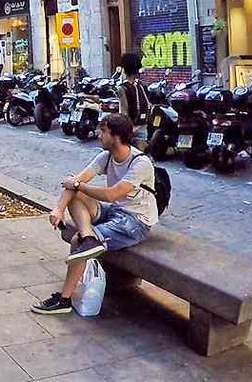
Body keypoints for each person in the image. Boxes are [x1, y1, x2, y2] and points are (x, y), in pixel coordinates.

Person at [32, 113, 158, 315]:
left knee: (77, 241)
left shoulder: (140, 163)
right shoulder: (106, 157)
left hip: (135, 221)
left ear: (115, 136)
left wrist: (77, 185)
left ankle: (64, 300)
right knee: (76, 196)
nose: (99, 135)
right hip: (116, 211)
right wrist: (59, 209)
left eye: (103, 131)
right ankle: (90, 237)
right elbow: (75, 181)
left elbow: (111, 194)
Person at [117, 52, 150, 128]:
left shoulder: (122, 88)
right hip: (144, 125)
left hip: (132, 128)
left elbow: (124, 112)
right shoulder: (142, 85)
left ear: (124, 69)